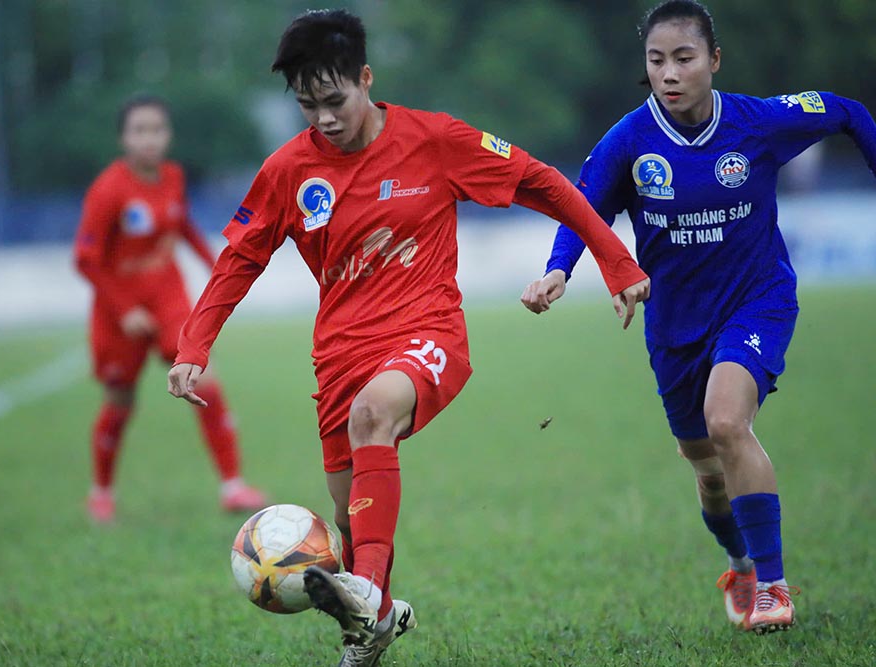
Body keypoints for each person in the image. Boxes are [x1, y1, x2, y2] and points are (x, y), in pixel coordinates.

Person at [167, 10, 649, 665]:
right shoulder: (287, 170)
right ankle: (376, 621)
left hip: (429, 333)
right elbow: (239, 259)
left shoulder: (434, 139)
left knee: (374, 416)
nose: (324, 119)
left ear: (366, 78)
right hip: (339, 354)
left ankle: (363, 591)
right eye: (309, 106)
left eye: (335, 100)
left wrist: (616, 261)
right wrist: (195, 344)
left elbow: (542, 182)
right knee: (346, 518)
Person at [538, 0, 876, 635]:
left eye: (684, 58)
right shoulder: (629, 141)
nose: (669, 72)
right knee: (704, 466)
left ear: (714, 61)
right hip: (674, 324)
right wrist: (560, 269)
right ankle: (741, 562)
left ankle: (774, 588)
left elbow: (848, 112)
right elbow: (584, 210)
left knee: (727, 421)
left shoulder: (759, 122)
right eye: (657, 60)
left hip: (757, 300)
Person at [74, 94, 267, 522]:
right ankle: (101, 492)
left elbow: (181, 224)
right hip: (118, 314)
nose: (149, 139)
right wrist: (124, 309)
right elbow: (85, 259)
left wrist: (215, 262)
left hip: (169, 300)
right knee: (120, 401)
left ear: (168, 135)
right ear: (124, 137)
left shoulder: (173, 177)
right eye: (139, 130)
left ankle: (232, 485)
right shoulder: (108, 190)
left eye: (156, 130)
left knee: (204, 378)